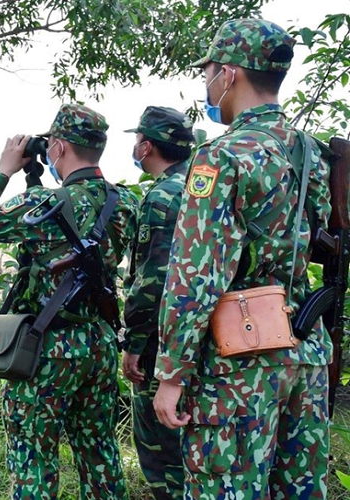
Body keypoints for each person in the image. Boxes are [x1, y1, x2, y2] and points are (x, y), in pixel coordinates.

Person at [152, 18, 332, 499]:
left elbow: (195, 273)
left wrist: (172, 373)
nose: (207, 83)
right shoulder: (310, 152)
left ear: (229, 74)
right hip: (305, 347)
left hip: (238, 361)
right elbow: (322, 234)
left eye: (208, 71)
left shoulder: (221, 156)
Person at [0, 103, 137, 499]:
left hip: (48, 349)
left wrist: (4, 170)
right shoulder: (124, 204)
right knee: (100, 450)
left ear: (56, 148)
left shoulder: (44, 204)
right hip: (100, 344)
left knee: (32, 455)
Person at [121, 106, 195, 500]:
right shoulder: (206, 183)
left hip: (161, 344)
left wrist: (134, 344)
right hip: (203, 339)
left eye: (137, 141)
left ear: (146, 146)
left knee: (159, 449)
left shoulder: (163, 195)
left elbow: (154, 281)